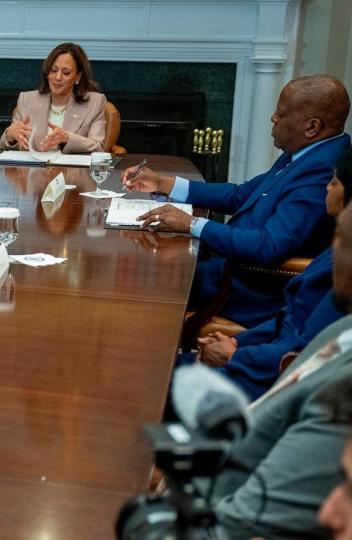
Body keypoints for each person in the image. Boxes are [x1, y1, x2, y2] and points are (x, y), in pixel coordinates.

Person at [122, 74, 351, 327]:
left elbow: (270, 245)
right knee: (141, 265)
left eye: (281, 113)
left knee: (138, 277)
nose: (273, 118)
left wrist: (192, 224)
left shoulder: (321, 170)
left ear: (312, 127)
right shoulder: (306, 151)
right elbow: (242, 195)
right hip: (231, 267)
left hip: (248, 286)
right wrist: (164, 183)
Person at [206, 204, 352, 538]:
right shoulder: (342, 328)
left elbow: (238, 522)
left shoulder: (344, 391)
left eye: (341, 238)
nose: (331, 252)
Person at [197, 148, 352, 400]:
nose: (326, 188)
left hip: (264, 384)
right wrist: (239, 341)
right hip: (260, 352)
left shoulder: (343, 268)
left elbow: (303, 350)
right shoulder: (337, 245)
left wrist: (234, 355)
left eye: (333, 182)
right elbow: (288, 318)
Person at [0, 42, 107, 154]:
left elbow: (98, 147)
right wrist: (10, 136)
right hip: (34, 170)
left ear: (78, 76)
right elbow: (5, 145)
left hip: (72, 171)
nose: (58, 77)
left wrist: (66, 138)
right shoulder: (27, 99)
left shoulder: (95, 102)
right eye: (53, 70)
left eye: (66, 72)